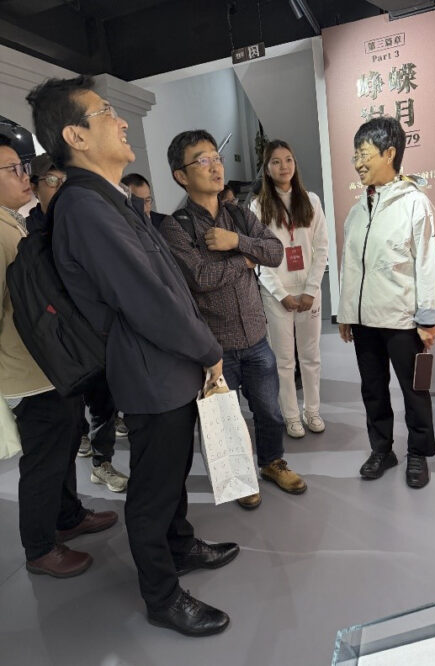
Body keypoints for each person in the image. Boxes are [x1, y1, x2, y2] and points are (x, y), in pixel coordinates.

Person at [28, 75, 237, 635]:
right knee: (153, 489)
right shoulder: (84, 207)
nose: (122, 122)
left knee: (171, 473)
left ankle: (180, 545)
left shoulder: (106, 198)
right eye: (106, 112)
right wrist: (208, 349)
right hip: (150, 370)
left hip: (165, 363)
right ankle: (163, 597)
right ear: (75, 135)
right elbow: (147, 300)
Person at [162, 129, 306, 510]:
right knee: (225, 420)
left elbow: (274, 251)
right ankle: (239, 477)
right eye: (203, 160)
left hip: (256, 338)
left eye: (217, 157)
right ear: (181, 175)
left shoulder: (239, 215)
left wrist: (236, 241)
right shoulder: (176, 226)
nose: (215, 166)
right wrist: (244, 260)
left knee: (269, 411)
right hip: (215, 348)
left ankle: (272, 462)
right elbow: (200, 278)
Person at [1, 135, 119, 580]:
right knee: (43, 461)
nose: (24, 176)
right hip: (28, 374)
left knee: (66, 444)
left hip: (50, 367)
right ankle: (39, 547)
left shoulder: (14, 223)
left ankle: (67, 516)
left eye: (23, 167)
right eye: (13, 169)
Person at [337, 116, 435, 489]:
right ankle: (382, 449)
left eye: (364, 154)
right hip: (364, 320)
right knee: (373, 389)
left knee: (415, 390)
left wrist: (427, 319)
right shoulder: (357, 211)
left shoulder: (415, 204)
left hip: (402, 320)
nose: (358, 163)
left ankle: (418, 453)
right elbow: (350, 265)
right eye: (355, 155)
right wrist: (346, 313)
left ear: (390, 153)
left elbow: (427, 264)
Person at [30, 154, 130, 491]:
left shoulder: (82, 221)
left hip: (93, 334)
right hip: (56, 343)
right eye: (52, 181)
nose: (60, 188)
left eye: (65, 181)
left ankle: (102, 463)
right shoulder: (29, 232)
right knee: (69, 416)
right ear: (35, 187)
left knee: (104, 403)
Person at [250, 140, 329, 438]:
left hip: (309, 291)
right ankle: (291, 415)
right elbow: (258, 255)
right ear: (267, 169)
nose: (283, 166)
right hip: (277, 294)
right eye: (276, 161)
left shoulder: (311, 201)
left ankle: (312, 410)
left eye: (288, 160)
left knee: (311, 356)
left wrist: (311, 289)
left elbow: (321, 248)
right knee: (283, 360)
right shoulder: (258, 206)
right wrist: (281, 294)